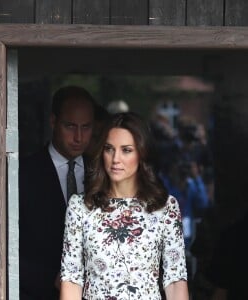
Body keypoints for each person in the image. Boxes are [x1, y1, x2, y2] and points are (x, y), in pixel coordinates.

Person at [60, 112, 189, 300]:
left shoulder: (165, 207)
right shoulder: (80, 206)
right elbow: (71, 278)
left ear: (141, 153)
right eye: (109, 149)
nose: (115, 159)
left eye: (126, 150)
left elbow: (175, 280)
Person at [19, 85, 96, 299]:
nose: (79, 137)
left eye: (86, 127)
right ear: (53, 121)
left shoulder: (103, 174)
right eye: (70, 126)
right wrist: (51, 279)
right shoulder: (22, 174)